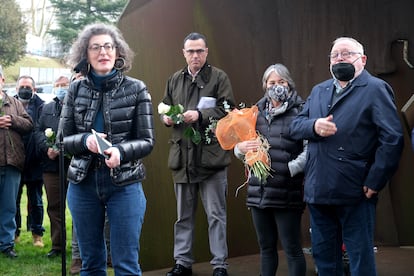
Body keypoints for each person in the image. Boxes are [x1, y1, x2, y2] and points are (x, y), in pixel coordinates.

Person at [289, 37, 404, 275]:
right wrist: (314, 126)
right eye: (334, 55)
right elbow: (295, 127)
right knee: (325, 258)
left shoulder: (375, 89)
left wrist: (375, 180)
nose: (339, 58)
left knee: (360, 258)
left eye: (346, 54)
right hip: (318, 189)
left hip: (355, 190)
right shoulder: (319, 90)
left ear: (362, 60)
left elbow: (392, 138)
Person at [58, 23, 155, 275]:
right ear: (86, 54)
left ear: (117, 52)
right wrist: (84, 142)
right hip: (83, 184)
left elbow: (147, 141)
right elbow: (62, 139)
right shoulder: (74, 90)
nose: (103, 52)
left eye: (108, 46)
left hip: (125, 184)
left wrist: (121, 152)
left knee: (126, 264)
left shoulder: (137, 89)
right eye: (96, 47)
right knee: (90, 264)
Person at [161, 32, 236, 276]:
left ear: (206, 52)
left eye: (199, 51)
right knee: (183, 216)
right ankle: (182, 263)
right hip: (183, 158)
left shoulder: (218, 77)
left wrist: (201, 115)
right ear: (183, 53)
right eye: (191, 51)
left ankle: (219, 265)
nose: (195, 55)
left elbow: (229, 109)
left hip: (211, 159)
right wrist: (166, 118)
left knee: (216, 215)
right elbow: (165, 105)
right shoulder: (174, 79)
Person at [234, 64, 307, 276]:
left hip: (287, 192)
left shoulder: (301, 111)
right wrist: (240, 149)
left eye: (281, 82)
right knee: (266, 249)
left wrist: (291, 169)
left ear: (289, 84)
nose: (277, 87)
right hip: (259, 193)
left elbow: (309, 149)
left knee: (292, 248)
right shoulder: (254, 114)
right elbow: (242, 148)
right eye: (272, 83)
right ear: (265, 85)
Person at [35, 75, 70, 258]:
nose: (61, 88)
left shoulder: (77, 105)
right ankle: (58, 246)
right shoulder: (47, 107)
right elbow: (38, 131)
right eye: (58, 85)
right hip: (51, 167)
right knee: (55, 207)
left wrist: (63, 148)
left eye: (64, 85)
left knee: (80, 207)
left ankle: (81, 249)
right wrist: (48, 147)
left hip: (73, 165)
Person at [0, 65, 34, 258]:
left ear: (2, 80)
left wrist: (12, 120)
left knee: (9, 206)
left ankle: (6, 245)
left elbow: (29, 124)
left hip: (12, 162)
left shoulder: (14, 103)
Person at [14, 75, 45, 247]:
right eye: (22, 86)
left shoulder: (41, 106)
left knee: (36, 201)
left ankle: (37, 234)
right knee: (13, 201)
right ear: (17, 88)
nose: (24, 89)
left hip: (35, 162)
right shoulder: (9, 105)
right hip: (15, 161)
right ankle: (14, 233)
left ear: (34, 89)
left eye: (28, 86)